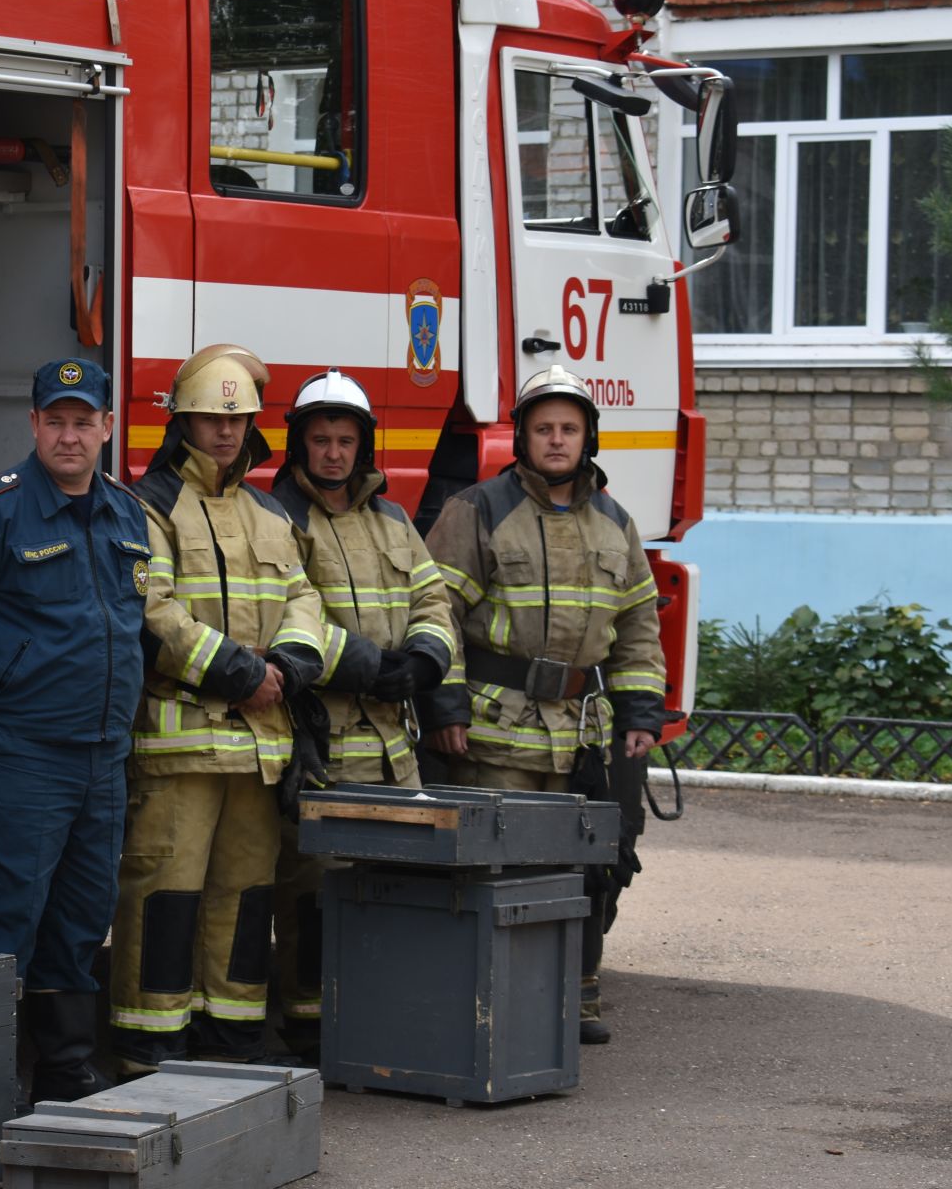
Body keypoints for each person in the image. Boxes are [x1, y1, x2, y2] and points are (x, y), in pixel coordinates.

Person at [0, 357, 150, 1103]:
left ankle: (68, 1071)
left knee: (80, 918)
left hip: (102, 756)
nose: (69, 436)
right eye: (56, 421)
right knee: (6, 915)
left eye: (84, 421)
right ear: (33, 425)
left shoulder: (127, 514)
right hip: (23, 754)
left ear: (107, 428)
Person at [421, 364, 667, 1045]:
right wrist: (445, 708)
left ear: (588, 436)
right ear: (522, 437)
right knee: (501, 869)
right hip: (498, 732)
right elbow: (435, 613)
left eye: (568, 428)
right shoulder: (478, 510)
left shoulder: (616, 524)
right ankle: (497, 1006)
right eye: (542, 429)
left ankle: (576, 997)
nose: (556, 441)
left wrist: (641, 713)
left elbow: (639, 630)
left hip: (585, 735)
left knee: (594, 866)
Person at [108, 343, 326, 1074]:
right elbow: (153, 610)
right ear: (183, 423)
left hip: (260, 748)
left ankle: (232, 1043)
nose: (225, 434)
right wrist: (241, 674)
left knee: (247, 898)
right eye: (210, 420)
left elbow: (305, 599)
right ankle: (150, 1045)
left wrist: (289, 668)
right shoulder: (150, 505)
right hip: (181, 748)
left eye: (237, 421)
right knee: (165, 896)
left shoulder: (269, 514)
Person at [267, 369, 456, 1055]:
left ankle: (384, 1015)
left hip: (391, 751)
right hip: (321, 744)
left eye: (346, 440)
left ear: (364, 446)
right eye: (320, 440)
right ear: (299, 445)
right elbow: (284, 614)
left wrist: (426, 661)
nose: (334, 454)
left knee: (398, 884)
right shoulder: (276, 518)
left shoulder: (394, 521)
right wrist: (376, 669)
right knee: (312, 893)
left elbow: (434, 602)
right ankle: (310, 1022)